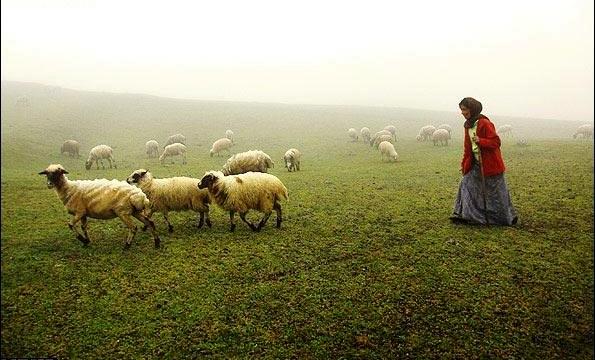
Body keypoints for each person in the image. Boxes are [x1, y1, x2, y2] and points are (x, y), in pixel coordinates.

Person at [450, 97, 518, 225]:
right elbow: (467, 148)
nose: (462, 113)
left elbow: (496, 142)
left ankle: (505, 218)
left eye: (464, 109)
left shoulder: (484, 123)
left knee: (496, 193)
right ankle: (464, 215)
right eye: (461, 110)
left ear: (472, 109)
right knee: (466, 184)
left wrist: (481, 141)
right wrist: (464, 165)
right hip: (475, 163)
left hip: (491, 164)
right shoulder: (468, 126)